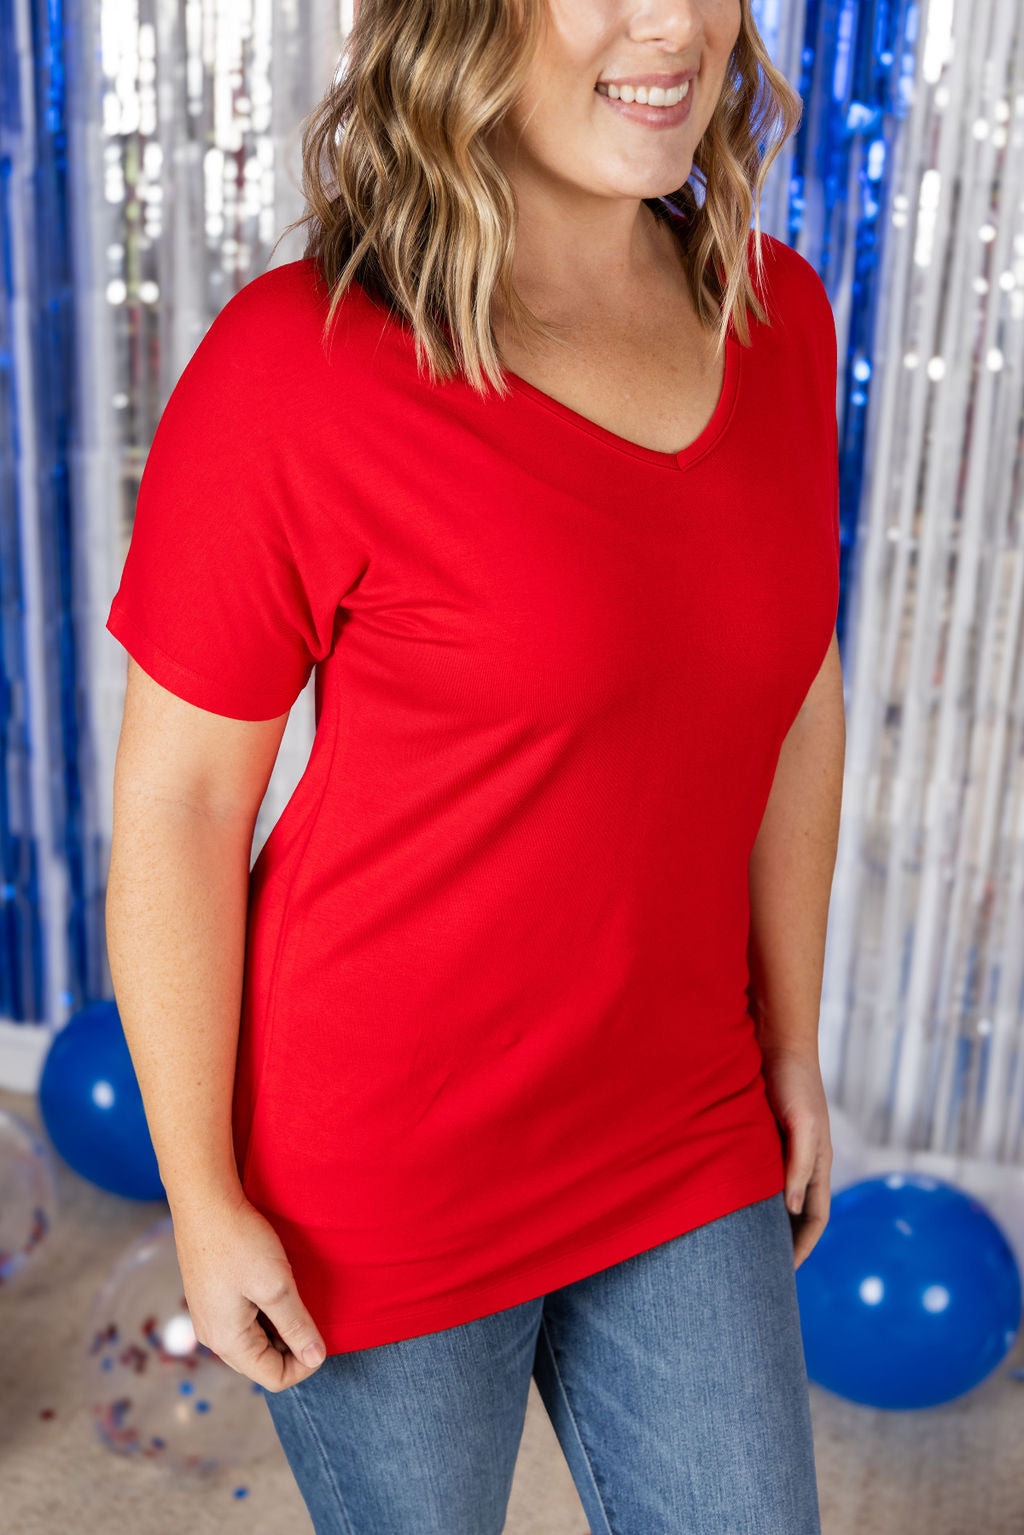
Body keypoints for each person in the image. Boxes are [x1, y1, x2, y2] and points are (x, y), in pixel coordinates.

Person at [104, 0, 844, 1529]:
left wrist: (794, 1038)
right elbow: (181, 805)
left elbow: (795, 697)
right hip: (382, 1169)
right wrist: (202, 1195)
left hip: (682, 1115)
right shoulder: (297, 365)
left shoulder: (779, 321)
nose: (674, 26)